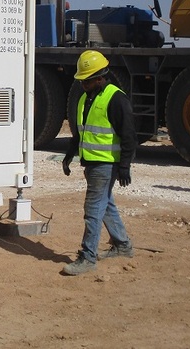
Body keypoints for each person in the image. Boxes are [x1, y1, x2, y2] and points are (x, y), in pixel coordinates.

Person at [61, 50, 136, 276]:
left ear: (101, 77)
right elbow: (80, 133)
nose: (83, 84)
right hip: (91, 164)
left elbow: (129, 136)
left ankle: (88, 257)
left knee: (93, 208)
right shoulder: (86, 98)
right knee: (105, 205)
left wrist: (124, 167)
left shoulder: (116, 99)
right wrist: (69, 155)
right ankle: (122, 245)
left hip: (105, 165)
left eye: (87, 80)